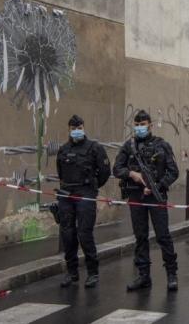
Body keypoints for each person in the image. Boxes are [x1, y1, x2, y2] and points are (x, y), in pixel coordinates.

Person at [113, 110, 179, 291]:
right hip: (136, 196)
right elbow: (116, 168)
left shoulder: (161, 145)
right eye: (137, 124)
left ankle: (171, 274)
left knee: (163, 236)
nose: (140, 127)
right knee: (140, 236)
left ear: (150, 125)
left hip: (156, 196)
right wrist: (131, 174)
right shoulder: (129, 146)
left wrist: (158, 186)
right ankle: (143, 276)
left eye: (143, 124)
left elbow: (173, 172)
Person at [57, 114, 111, 288]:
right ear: (69, 130)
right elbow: (60, 172)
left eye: (79, 128)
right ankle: (71, 273)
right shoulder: (63, 149)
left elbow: (104, 172)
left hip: (85, 193)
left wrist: (92, 188)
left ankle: (92, 272)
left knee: (84, 234)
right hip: (67, 193)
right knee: (67, 233)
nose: (76, 131)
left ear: (84, 128)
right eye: (73, 129)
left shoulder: (94, 148)